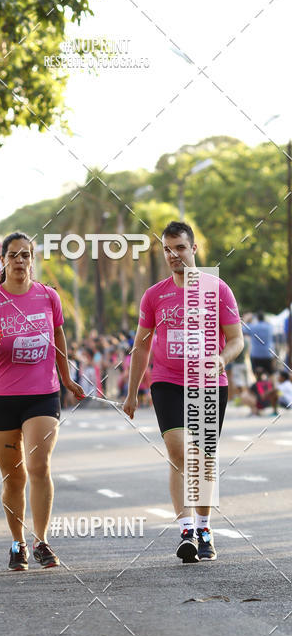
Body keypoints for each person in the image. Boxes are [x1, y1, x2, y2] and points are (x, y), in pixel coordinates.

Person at [123, 221, 244, 563]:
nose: (173, 254)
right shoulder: (154, 295)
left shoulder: (218, 290)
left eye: (180, 247)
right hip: (168, 381)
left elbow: (236, 340)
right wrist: (132, 393)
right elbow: (141, 348)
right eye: (167, 249)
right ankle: (187, 531)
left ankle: (205, 529)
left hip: (208, 382)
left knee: (204, 459)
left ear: (194, 250)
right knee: (179, 453)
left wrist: (222, 358)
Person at [0, 231, 85, 572]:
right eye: (13, 255)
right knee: (14, 477)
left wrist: (67, 379)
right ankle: (17, 543)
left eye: (26, 255)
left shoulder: (48, 297)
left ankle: (42, 540)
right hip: (0, 398)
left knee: (38, 467)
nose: (20, 260)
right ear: (3, 261)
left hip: (42, 395)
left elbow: (59, 336)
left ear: (32, 260)